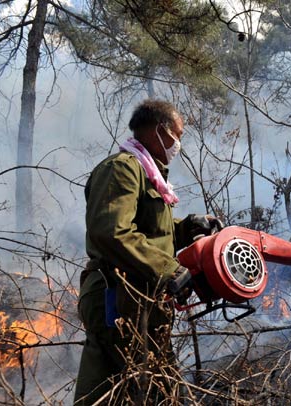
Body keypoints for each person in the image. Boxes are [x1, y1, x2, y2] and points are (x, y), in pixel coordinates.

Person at [74, 100, 220, 405]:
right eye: (178, 135)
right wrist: (169, 269)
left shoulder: (148, 175)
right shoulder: (122, 168)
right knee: (109, 393)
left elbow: (152, 233)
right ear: (160, 131)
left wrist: (187, 227)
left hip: (140, 299)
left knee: (157, 389)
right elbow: (112, 232)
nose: (179, 144)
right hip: (115, 297)